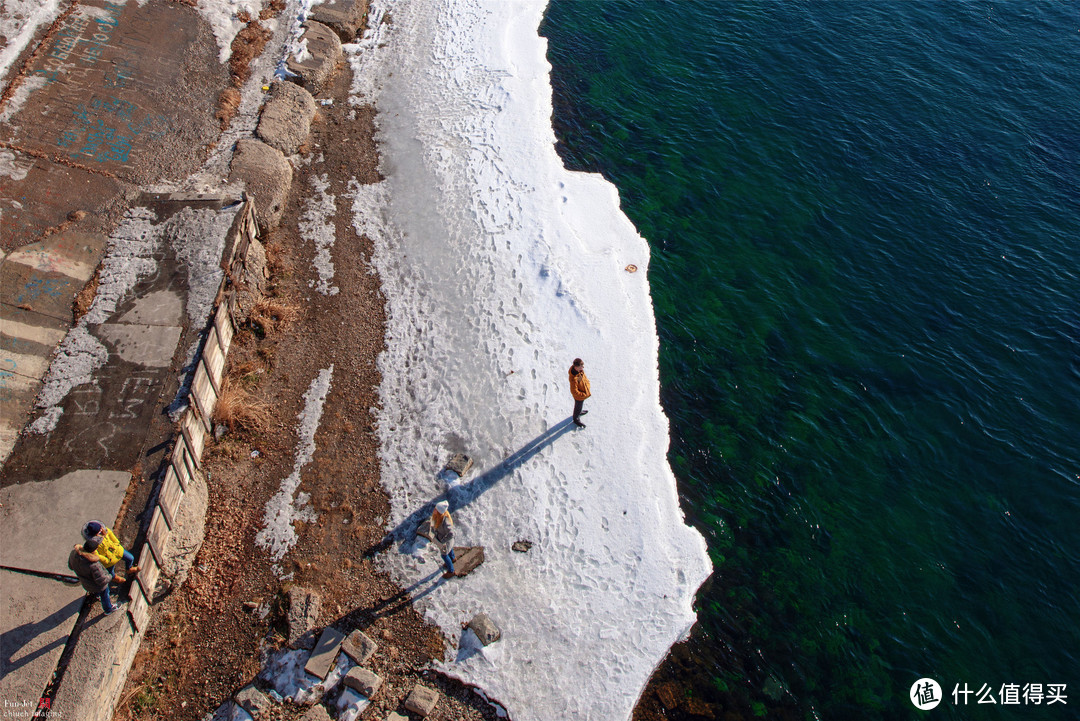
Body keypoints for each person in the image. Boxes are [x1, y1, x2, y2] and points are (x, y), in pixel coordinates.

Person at [68, 538, 124, 615]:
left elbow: (70, 566)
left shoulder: (73, 554)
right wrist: (110, 576)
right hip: (97, 586)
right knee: (105, 595)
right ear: (93, 551)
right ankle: (108, 609)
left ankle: (97, 596)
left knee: (97, 592)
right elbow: (102, 580)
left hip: (85, 583)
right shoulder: (93, 565)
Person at [430, 500, 455, 579]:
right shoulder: (439, 517)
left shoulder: (445, 521)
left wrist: (442, 541)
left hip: (446, 542)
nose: (434, 510)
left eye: (436, 510)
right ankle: (453, 558)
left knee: (444, 555)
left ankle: (451, 571)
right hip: (445, 541)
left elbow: (451, 534)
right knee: (450, 550)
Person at [568, 358, 591, 428]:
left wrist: (587, 384)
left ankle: (579, 412)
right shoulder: (573, 379)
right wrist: (583, 395)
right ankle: (576, 419)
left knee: (580, 406)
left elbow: (584, 378)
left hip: (583, 393)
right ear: (576, 367)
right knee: (578, 406)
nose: (583, 367)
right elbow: (574, 392)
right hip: (579, 397)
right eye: (581, 366)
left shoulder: (580, 371)